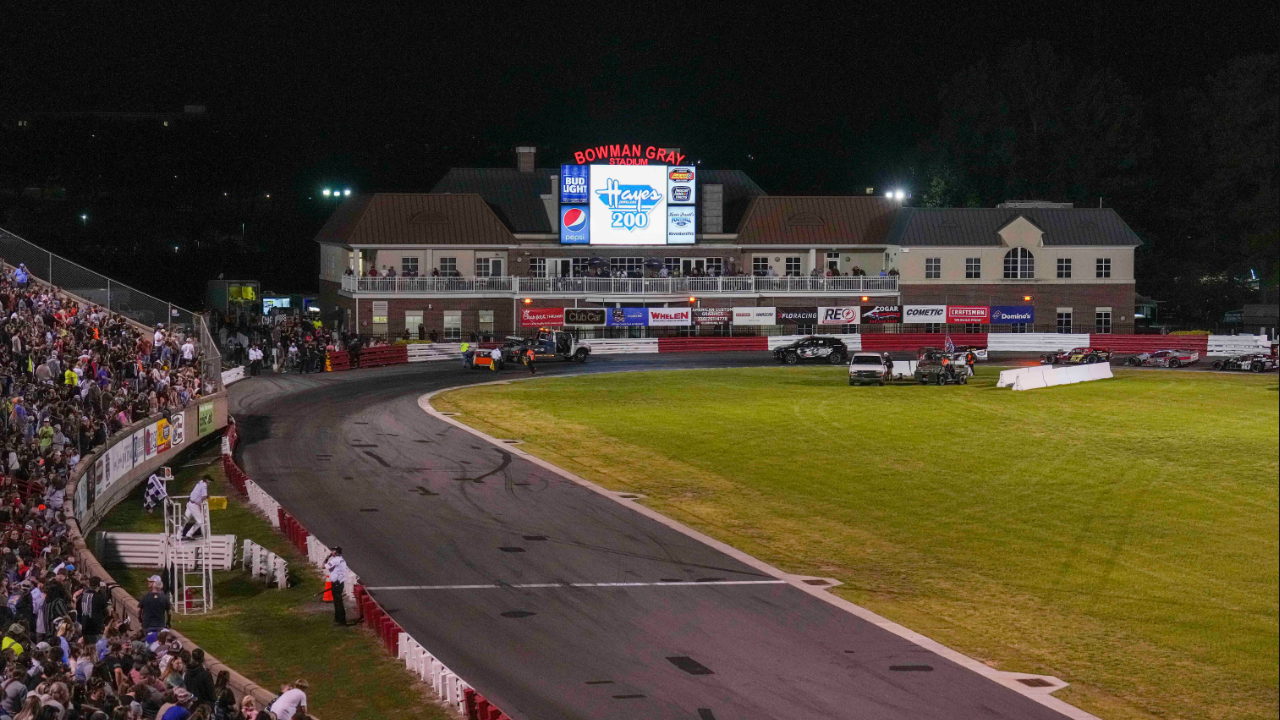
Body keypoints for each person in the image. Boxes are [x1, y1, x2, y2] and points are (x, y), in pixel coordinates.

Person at [324, 548, 349, 625]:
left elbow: (323, 566)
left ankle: (341, 620)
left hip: (336, 583)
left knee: (338, 602)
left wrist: (327, 557)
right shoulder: (341, 559)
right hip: (340, 582)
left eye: (333, 551)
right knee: (338, 601)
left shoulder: (335, 560)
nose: (331, 552)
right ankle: (339, 618)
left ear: (335, 552)